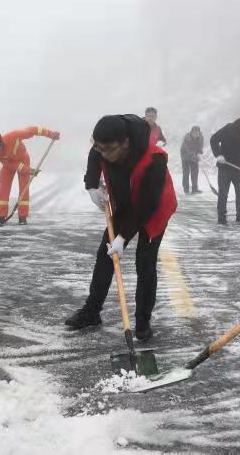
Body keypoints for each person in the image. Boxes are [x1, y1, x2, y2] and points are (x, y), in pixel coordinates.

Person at [64, 114, 177, 341]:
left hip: (154, 207)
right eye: (99, 148)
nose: (102, 153)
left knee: (145, 262)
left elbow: (146, 206)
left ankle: (143, 321)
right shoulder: (105, 147)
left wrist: (123, 237)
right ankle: (91, 311)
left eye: (108, 150)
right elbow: (95, 155)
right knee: (105, 255)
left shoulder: (154, 159)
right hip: (126, 204)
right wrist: (91, 185)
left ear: (125, 143)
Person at [0, 126, 60, 225]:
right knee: (3, 187)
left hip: (23, 159)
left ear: (0, 142)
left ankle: (22, 217)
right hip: (8, 164)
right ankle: (0, 216)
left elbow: (33, 130)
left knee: (24, 188)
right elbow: (10, 165)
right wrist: (28, 170)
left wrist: (50, 134)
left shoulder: (13, 136)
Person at [180, 125, 204, 194]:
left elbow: (200, 146)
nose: (196, 134)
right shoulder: (187, 138)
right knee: (186, 172)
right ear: (191, 132)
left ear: (199, 132)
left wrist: (199, 153)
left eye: (197, 132)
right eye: (194, 132)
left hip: (194, 156)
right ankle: (186, 189)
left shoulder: (201, 138)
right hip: (185, 156)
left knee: (195, 172)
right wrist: (193, 155)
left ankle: (194, 189)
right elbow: (187, 149)